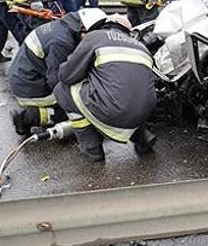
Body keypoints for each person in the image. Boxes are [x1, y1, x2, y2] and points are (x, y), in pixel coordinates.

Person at [54, 14, 158, 162]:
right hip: (144, 112)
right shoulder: (141, 47)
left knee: (62, 90)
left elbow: (66, 76)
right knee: (129, 93)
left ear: (103, 26)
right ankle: (142, 138)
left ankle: (92, 148)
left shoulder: (95, 37)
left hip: (113, 111)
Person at [8, 8, 108, 136]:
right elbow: (57, 80)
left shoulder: (64, 27)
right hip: (31, 88)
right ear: (82, 29)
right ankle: (28, 117)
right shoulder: (61, 42)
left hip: (27, 78)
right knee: (82, 112)